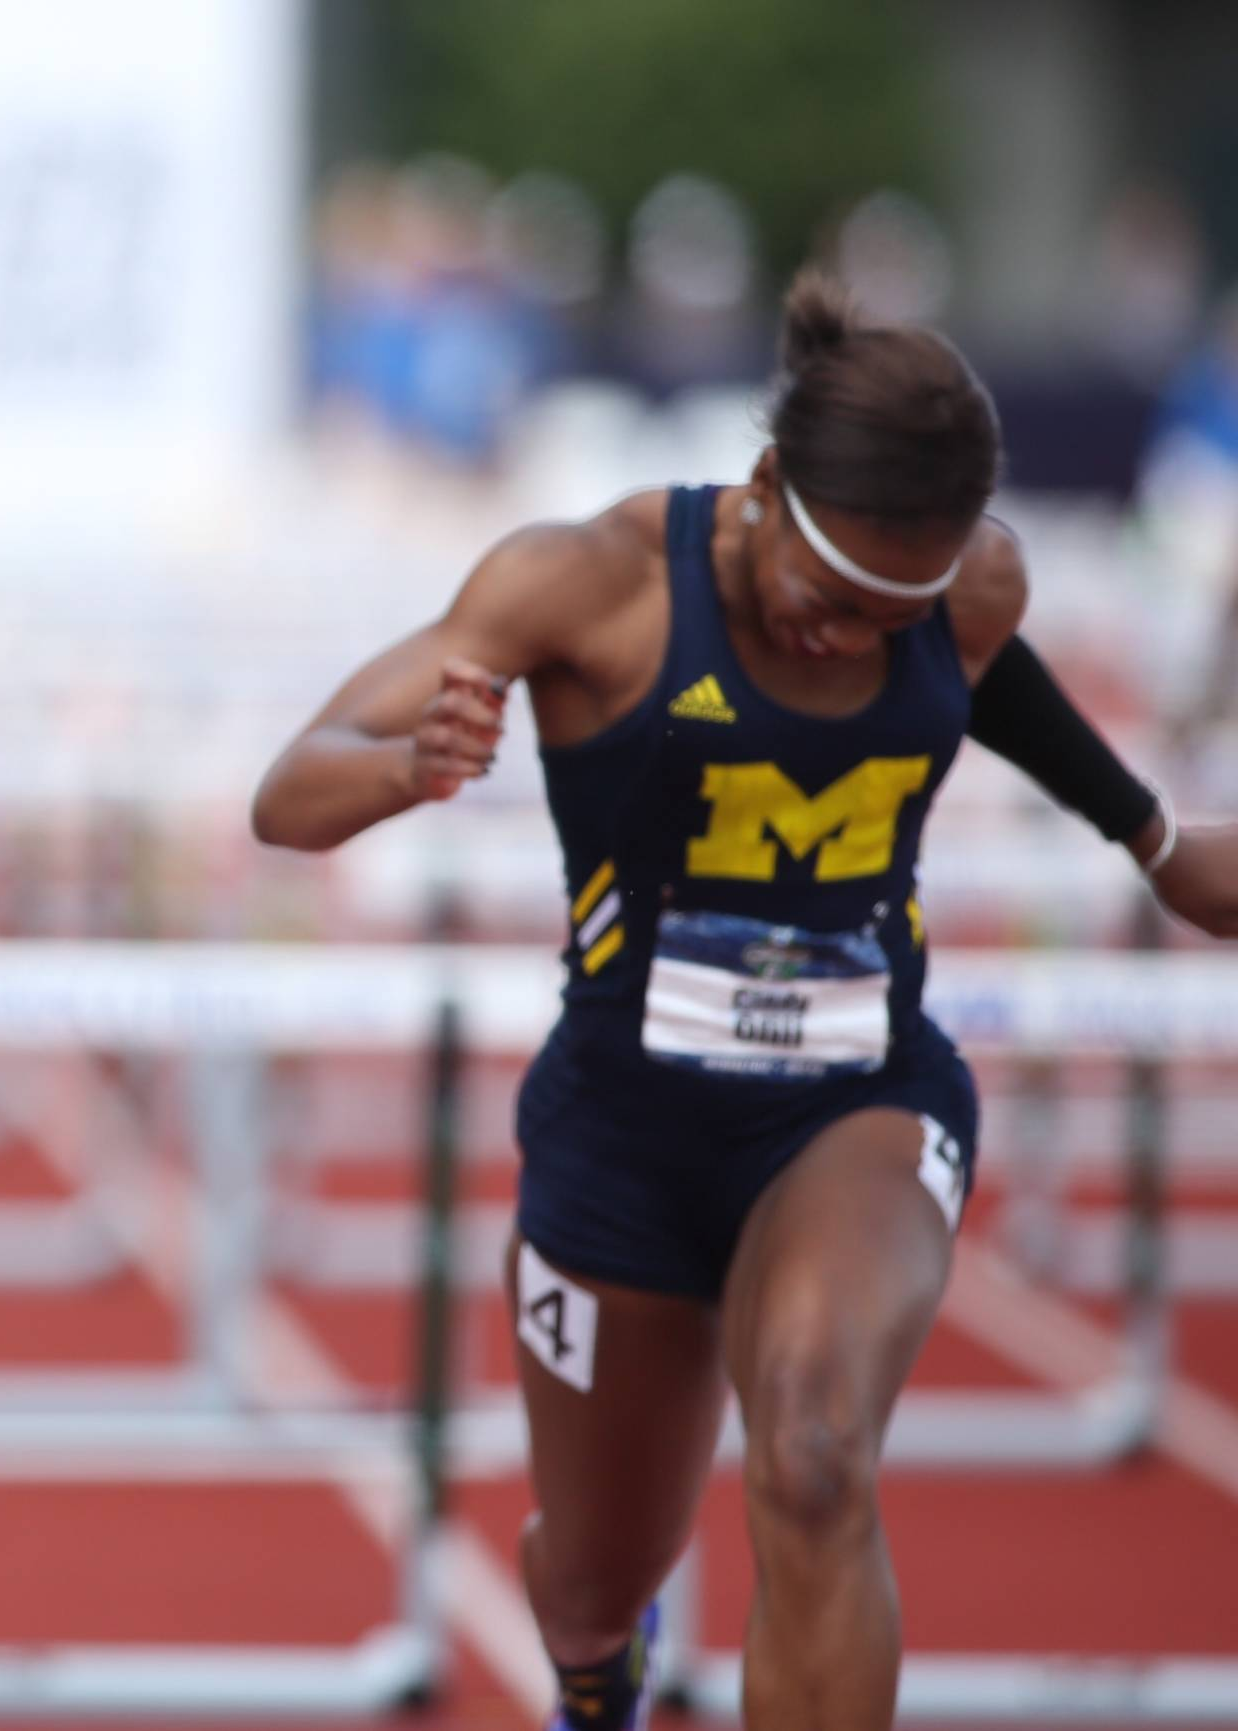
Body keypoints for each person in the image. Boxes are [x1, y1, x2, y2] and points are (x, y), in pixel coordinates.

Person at [253, 271, 1237, 1731]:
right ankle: (597, 1673)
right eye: (826, 597)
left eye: (891, 614)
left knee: (819, 1450)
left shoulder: (965, 591)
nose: (851, 636)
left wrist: (1154, 838)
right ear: (767, 489)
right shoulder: (592, 582)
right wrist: (408, 766)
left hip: (858, 1104)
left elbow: (1000, 687)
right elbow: (290, 792)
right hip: (621, 1132)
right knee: (591, 1574)